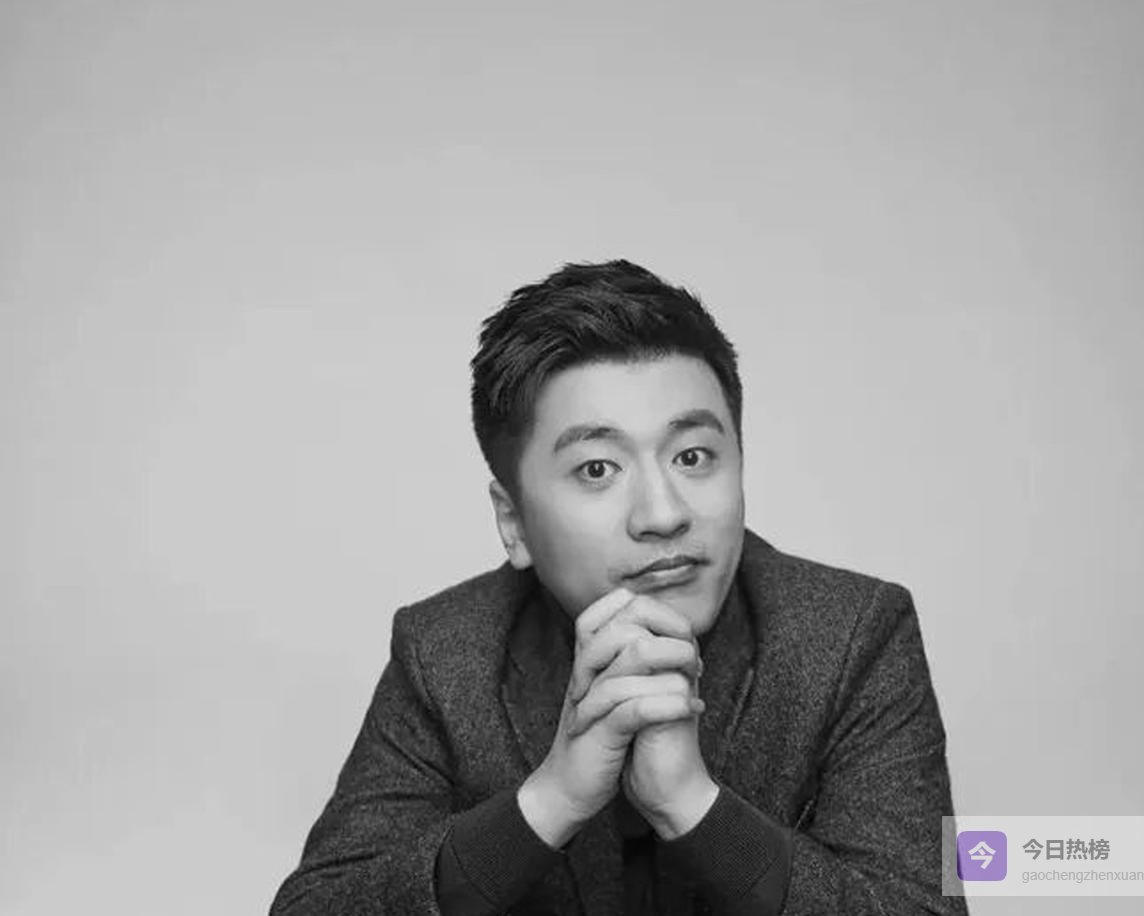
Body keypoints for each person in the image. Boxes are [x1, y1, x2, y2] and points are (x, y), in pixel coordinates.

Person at [270, 260, 966, 915]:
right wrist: (549, 802)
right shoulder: (445, 652)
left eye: (693, 456)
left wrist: (693, 806)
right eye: (598, 469)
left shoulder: (853, 635)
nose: (663, 514)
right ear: (513, 522)